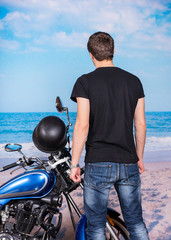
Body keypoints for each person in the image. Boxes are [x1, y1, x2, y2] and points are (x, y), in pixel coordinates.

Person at [70, 31, 149, 240]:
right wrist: (139, 156)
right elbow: (140, 124)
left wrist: (74, 163)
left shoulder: (84, 82)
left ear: (90, 55)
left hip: (98, 163)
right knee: (135, 222)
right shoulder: (134, 81)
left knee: (95, 227)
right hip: (128, 161)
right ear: (113, 51)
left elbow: (82, 124)